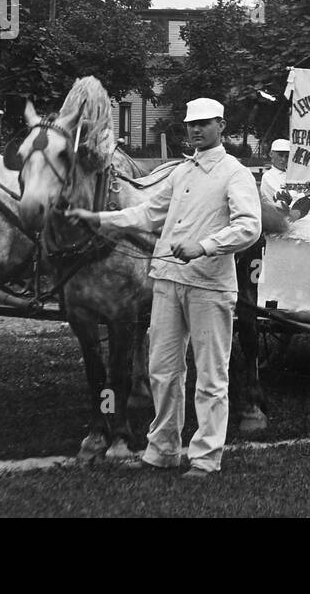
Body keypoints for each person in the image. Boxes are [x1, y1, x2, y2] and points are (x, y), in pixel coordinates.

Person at [66, 98, 261, 478]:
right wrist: (99, 218)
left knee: (210, 375)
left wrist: (203, 246)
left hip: (209, 285)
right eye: (191, 125)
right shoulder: (182, 172)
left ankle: (205, 458)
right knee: (162, 371)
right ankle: (163, 449)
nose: (196, 130)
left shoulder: (234, 173)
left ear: (222, 126)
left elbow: (249, 226)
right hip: (168, 281)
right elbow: (148, 212)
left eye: (204, 124)